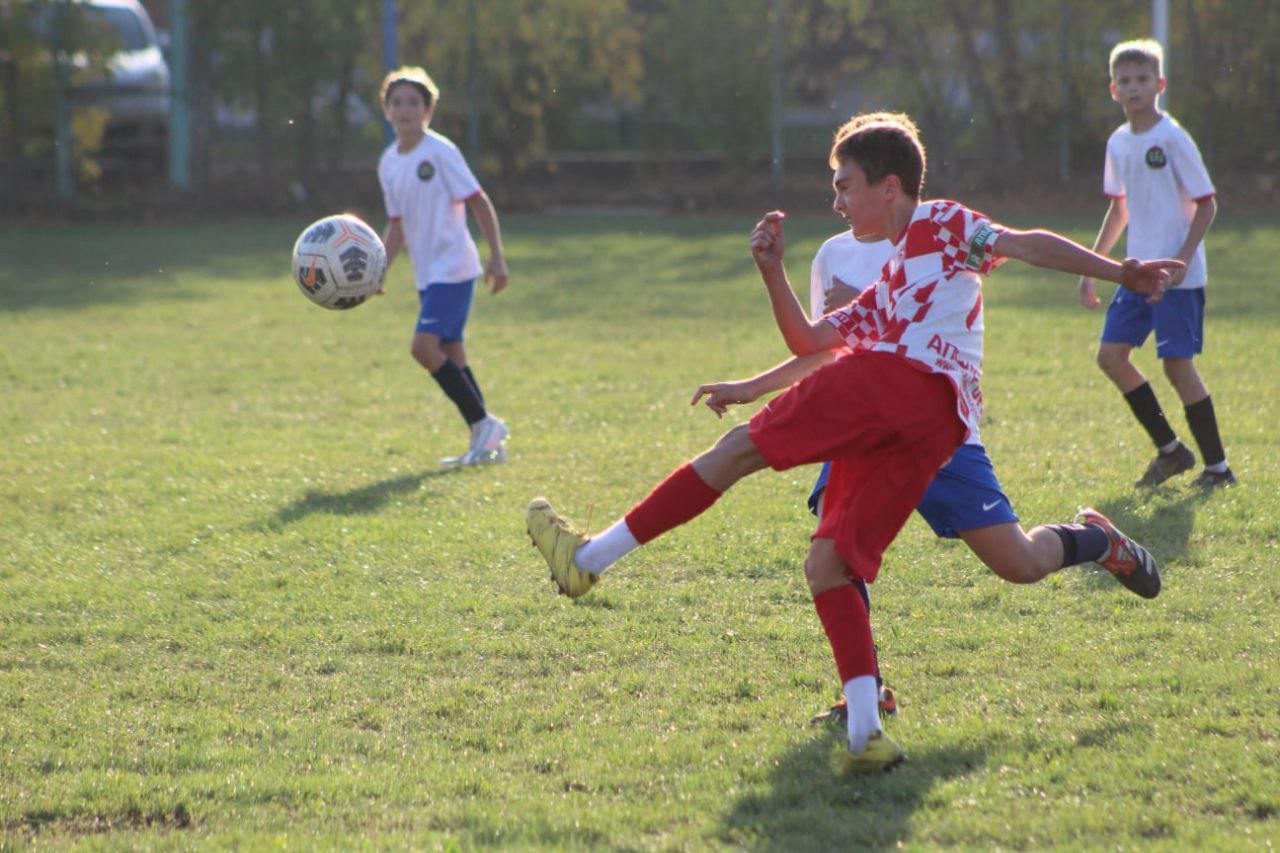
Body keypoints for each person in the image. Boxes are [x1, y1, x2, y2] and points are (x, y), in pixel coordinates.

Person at [525, 113, 1179, 773]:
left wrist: (1121, 272)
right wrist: (770, 270)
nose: (835, 201)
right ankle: (870, 729)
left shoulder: (940, 222)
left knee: (737, 451)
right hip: (922, 427)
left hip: (908, 395)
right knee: (843, 565)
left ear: (889, 186)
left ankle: (590, 558)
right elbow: (811, 342)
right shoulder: (886, 285)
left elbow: (1028, 241)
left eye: (844, 186)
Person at [1079, 39, 1233, 489]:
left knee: (1176, 367)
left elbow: (1207, 205)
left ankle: (1218, 469)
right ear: (1113, 89)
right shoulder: (1119, 142)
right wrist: (1093, 266)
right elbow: (1119, 210)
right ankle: (1170, 451)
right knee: (1110, 356)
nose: (1134, 88)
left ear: (1160, 84)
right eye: (1125, 81)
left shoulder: (1172, 138)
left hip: (1178, 279)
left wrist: (1183, 260)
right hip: (1136, 273)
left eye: (1142, 79)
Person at [377, 66, 510, 466]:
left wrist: (497, 257)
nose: (405, 110)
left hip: (454, 268)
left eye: (413, 102)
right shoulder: (388, 163)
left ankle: (485, 424)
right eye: (396, 102)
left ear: (428, 109)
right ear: (386, 110)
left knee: (423, 347)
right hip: (427, 274)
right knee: (453, 353)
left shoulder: (441, 151)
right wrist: (378, 269)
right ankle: (486, 444)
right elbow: (397, 226)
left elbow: (478, 201)